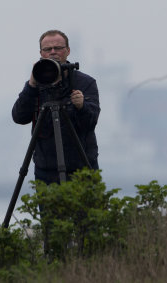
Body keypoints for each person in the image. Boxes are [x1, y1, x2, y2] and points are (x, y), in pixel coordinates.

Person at [12, 30, 100, 185]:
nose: (53, 52)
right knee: (48, 210)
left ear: (68, 51)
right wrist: (31, 85)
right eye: (47, 49)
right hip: (46, 170)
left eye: (58, 48)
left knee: (87, 210)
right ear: (41, 53)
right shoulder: (36, 84)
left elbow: (91, 122)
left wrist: (82, 106)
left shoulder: (85, 83)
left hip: (82, 168)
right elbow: (19, 117)